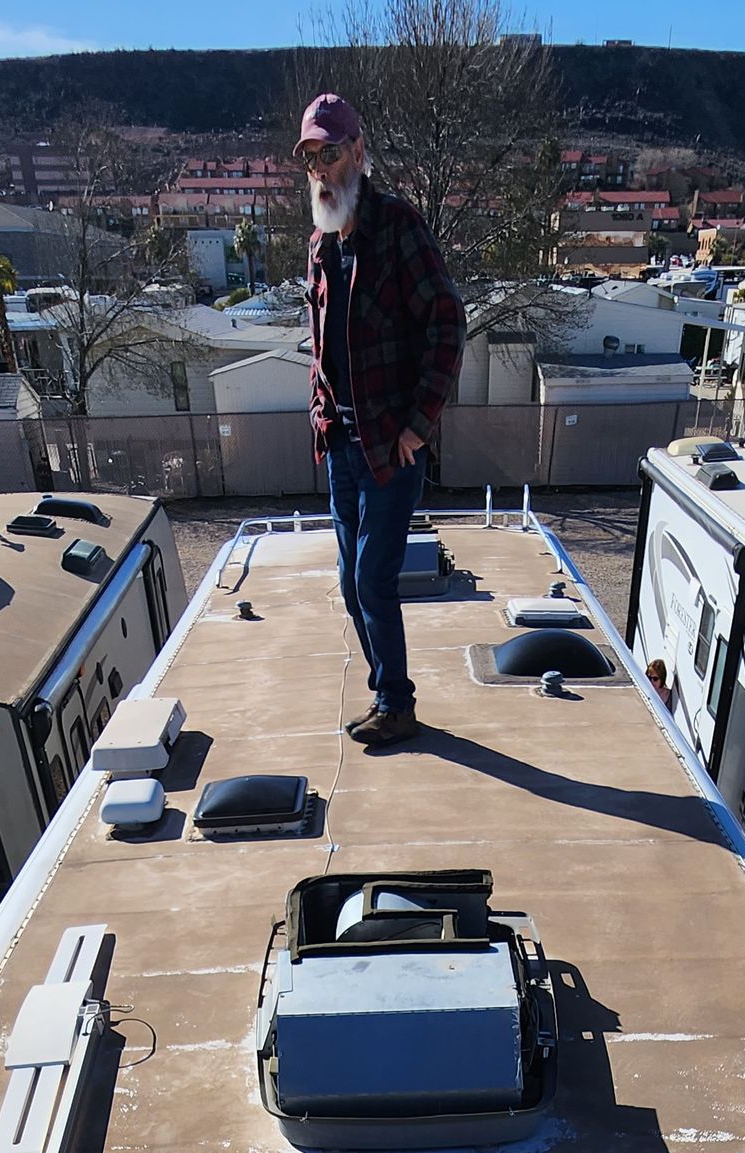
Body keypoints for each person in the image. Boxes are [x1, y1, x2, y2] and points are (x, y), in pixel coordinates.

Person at [297, 93, 465, 750]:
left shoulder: (398, 227)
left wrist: (418, 426)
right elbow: (322, 346)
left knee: (372, 578)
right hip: (341, 442)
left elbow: (446, 324)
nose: (321, 169)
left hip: (389, 448)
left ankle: (397, 704)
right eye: (312, 158)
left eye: (331, 153)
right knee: (349, 582)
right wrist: (320, 412)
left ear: (359, 152)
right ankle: (384, 693)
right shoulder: (320, 244)